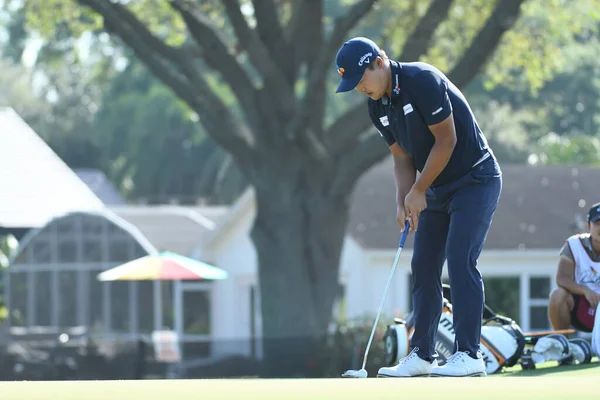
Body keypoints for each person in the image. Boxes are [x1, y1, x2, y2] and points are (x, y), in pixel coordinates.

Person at [335, 37, 502, 377]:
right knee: (423, 266)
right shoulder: (376, 106)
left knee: (459, 258)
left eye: (361, 80)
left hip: (475, 179)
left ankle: (469, 354)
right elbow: (401, 157)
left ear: (378, 63)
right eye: (353, 85)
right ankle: (422, 355)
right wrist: (403, 200)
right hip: (436, 188)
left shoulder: (422, 80)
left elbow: (447, 140)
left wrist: (419, 189)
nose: (360, 89)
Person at [548, 202, 600, 353]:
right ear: (588, 226)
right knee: (558, 295)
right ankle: (562, 348)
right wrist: (585, 290)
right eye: (598, 223)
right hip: (581, 307)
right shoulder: (574, 244)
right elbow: (562, 278)